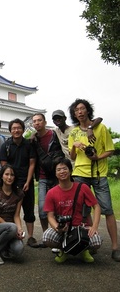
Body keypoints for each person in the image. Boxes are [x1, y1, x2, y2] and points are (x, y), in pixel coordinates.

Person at [68, 98, 120, 262]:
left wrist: (97, 157)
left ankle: (115, 247)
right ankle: (89, 244)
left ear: (88, 110)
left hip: (99, 173)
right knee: (83, 211)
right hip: (80, 173)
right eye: (77, 110)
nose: (80, 112)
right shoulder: (74, 132)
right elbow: (72, 157)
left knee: (107, 209)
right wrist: (75, 146)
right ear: (74, 114)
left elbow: (110, 150)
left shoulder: (100, 128)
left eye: (82, 109)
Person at [42, 157, 102, 263]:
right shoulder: (51, 193)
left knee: (97, 241)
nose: (62, 172)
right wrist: (57, 227)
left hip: (80, 227)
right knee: (47, 237)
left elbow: (96, 206)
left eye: (65, 168)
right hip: (63, 228)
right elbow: (50, 216)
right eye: (58, 169)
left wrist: (94, 226)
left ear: (70, 170)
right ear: (55, 173)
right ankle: (64, 250)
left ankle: (83, 250)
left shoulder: (82, 187)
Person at [0, 118, 38, 247]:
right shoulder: (6, 145)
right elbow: (4, 166)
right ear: (10, 130)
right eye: (13, 128)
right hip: (12, 182)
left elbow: (32, 163)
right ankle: (8, 234)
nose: (16, 130)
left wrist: (28, 181)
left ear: (23, 129)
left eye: (19, 128)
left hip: (26, 181)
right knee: (8, 209)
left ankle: (31, 237)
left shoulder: (29, 144)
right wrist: (9, 182)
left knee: (29, 208)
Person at [31, 113, 64, 236]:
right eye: (34, 121)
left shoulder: (54, 134)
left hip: (57, 176)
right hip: (43, 177)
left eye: (39, 120)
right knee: (42, 209)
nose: (37, 123)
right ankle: (46, 235)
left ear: (45, 122)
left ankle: (58, 233)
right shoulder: (33, 139)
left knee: (58, 208)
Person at [0, 164, 25, 265]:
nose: (9, 177)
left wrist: (19, 229)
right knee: (12, 227)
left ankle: (2, 246)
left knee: (19, 249)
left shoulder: (19, 194)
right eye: (6, 174)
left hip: (10, 229)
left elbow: (16, 216)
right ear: (1, 176)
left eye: (12, 175)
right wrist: (12, 228)